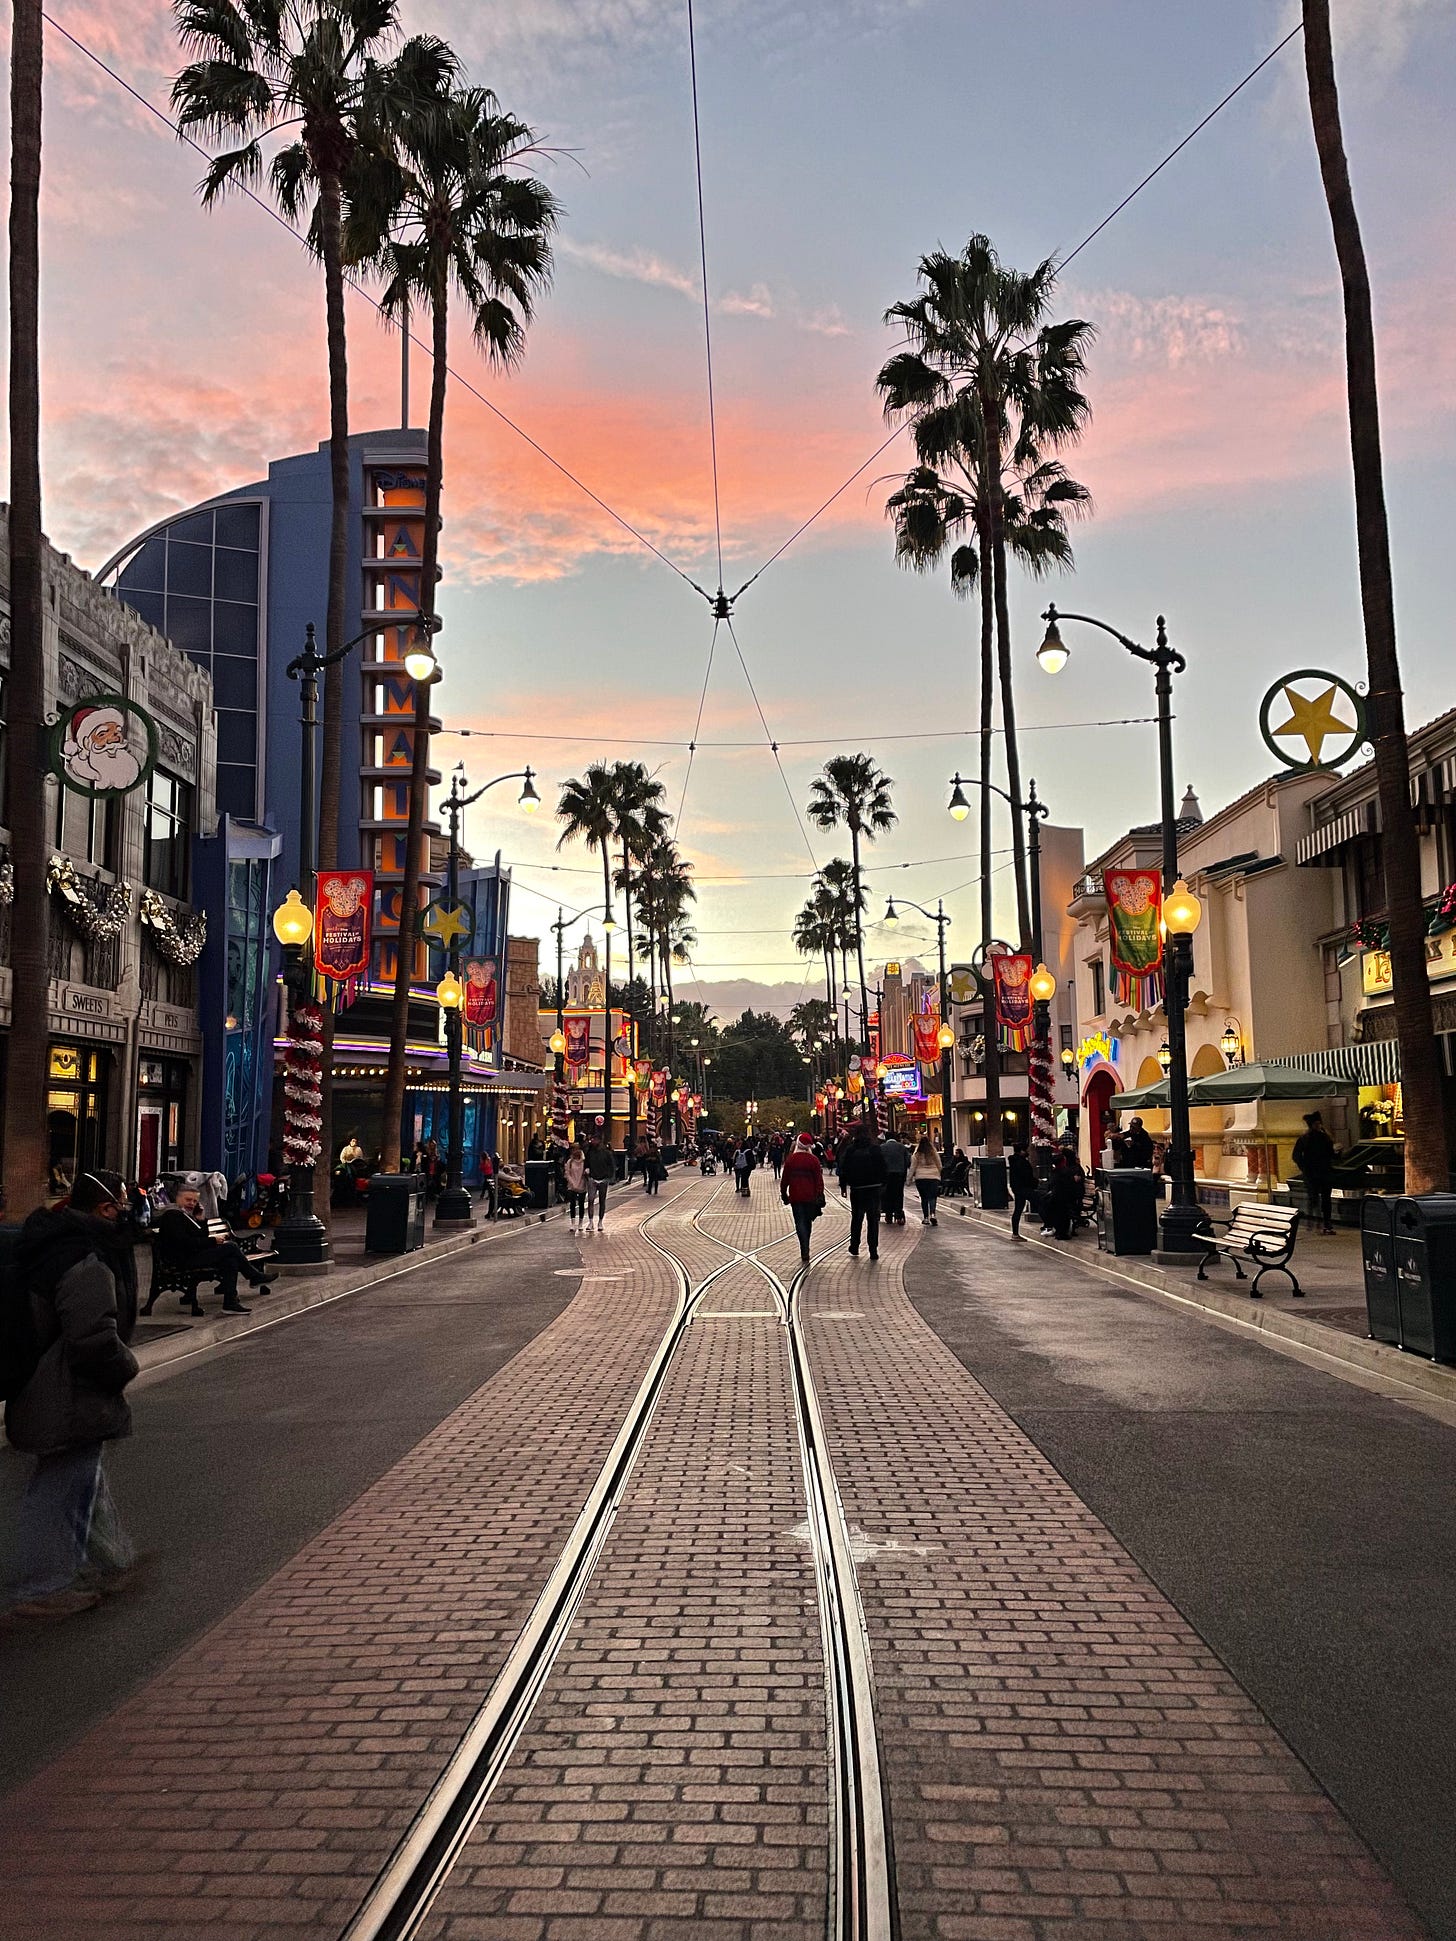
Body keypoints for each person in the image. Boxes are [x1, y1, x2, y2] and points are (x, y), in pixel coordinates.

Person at [5, 1170, 140, 1620]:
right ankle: (41, 1587)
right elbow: (93, 1338)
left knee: (83, 1477)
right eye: (123, 1205)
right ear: (106, 1210)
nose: (128, 1214)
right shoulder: (85, 1258)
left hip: (51, 1385)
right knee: (63, 1484)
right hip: (65, 1391)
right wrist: (125, 1366)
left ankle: (113, 1561)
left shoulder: (57, 1243)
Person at [148, 1183, 278, 1316]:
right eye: (188, 1200)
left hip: (193, 1255)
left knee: (230, 1260)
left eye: (194, 1201)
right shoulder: (172, 1216)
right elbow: (184, 1242)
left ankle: (230, 1303)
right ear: (178, 1198)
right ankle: (254, 1277)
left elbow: (200, 1236)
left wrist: (201, 1220)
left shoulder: (187, 1216)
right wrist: (213, 1241)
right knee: (231, 1247)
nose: (191, 1203)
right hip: (181, 1259)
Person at [838, 1124, 887, 1261]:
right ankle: (873, 1249)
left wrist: (843, 1186)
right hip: (873, 1187)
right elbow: (883, 1167)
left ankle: (854, 1245)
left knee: (857, 1218)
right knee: (873, 1219)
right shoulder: (875, 1149)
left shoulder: (851, 1150)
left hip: (857, 1188)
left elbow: (844, 1168)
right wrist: (883, 1184)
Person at [780, 1132, 826, 1263]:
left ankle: (803, 1246)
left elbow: (785, 1180)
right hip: (810, 1196)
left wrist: (784, 1193)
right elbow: (819, 1180)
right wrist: (819, 1193)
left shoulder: (791, 1160)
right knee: (807, 1222)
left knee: (799, 1222)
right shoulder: (814, 1160)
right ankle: (806, 1244)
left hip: (796, 1196)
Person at [1293, 1111, 1337, 1234]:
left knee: (1323, 1198)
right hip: (1314, 1172)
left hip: (1321, 1172)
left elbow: (1330, 1154)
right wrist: (1305, 1168)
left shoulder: (1324, 1138)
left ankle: (1324, 1222)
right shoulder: (1306, 1139)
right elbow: (1296, 1156)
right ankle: (1317, 1221)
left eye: (1319, 1124)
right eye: (1316, 1124)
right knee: (1315, 1198)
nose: (1319, 1126)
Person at [909, 1135, 942, 1226]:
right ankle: (933, 1214)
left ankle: (926, 1218)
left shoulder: (917, 1153)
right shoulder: (933, 1152)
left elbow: (913, 1167)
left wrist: (909, 1179)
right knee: (932, 1197)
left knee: (924, 1198)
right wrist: (940, 1174)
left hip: (921, 1178)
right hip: (933, 1177)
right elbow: (939, 1164)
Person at [585, 1134, 614, 1233]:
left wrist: (608, 1177)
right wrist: (587, 1172)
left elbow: (611, 1165)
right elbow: (587, 1164)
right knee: (591, 1199)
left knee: (602, 1200)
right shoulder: (590, 1152)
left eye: (594, 1139)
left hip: (603, 1179)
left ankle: (600, 1221)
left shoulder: (606, 1153)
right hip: (592, 1178)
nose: (592, 1141)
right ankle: (591, 1221)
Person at [879, 1129, 910, 1226]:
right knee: (898, 1194)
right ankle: (898, 1214)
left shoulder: (882, 1147)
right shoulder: (902, 1147)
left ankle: (888, 1215)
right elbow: (908, 1162)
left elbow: (878, 1162)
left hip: (886, 1175)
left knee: (887, 1194)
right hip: (899, 1175)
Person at [1008, 1144, 1037, 1238]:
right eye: (1025, 1150)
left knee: (1018, 1209)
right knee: (1039, 1202)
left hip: (1018, 1189)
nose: (1027, 1152)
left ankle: (1015, 1233)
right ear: (1021, 1151)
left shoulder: (1014, 1161)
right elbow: (1026, 1176)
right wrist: (1035, 1182)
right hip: (1025, 1188)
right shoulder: (1022, 1162)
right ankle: (1048, 1226)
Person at [563, 1142, 588, 1230]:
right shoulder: (570, 1162)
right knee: (572, 1204)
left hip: (582, 1185)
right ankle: (573, 1223)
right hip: (572, 1186)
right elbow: (567, 1173)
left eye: (576, 1149)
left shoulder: (584, 1162)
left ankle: (580, 1223)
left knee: (581, 1204)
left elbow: (586, 1172)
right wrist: (572, 1182)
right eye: (573, 1150)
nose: (574, 1152)